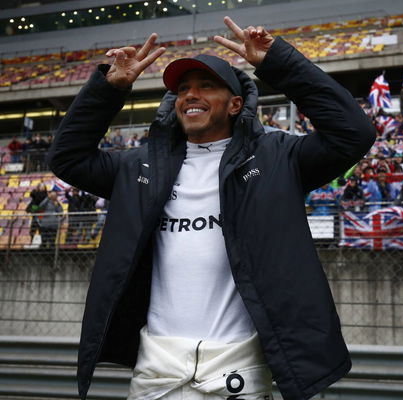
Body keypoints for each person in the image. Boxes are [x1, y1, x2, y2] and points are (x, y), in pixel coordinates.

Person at [47, 18, 375, 400]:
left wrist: (278, 63)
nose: (190, 94)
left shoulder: (277, 158)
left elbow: (354, 133)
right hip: (158, 367)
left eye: (206, 85)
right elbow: (67, 158)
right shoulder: (139, 167)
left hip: (238, 367)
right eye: (182, 88)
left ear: (236, 104)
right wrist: (108, 89)